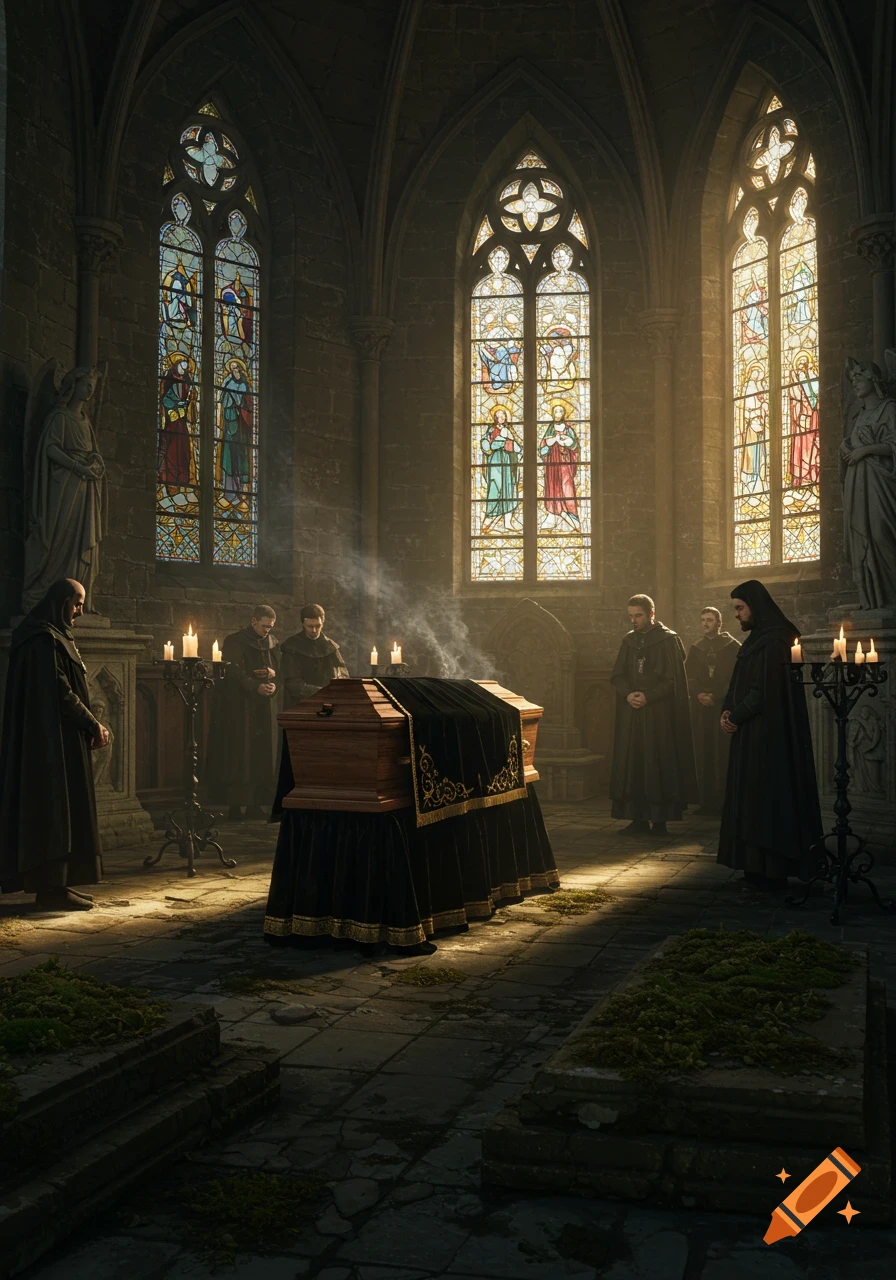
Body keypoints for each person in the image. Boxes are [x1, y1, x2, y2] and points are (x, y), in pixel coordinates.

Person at [0, 579, 109, 910]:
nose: (80, 611)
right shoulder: (42, 639)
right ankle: (50, 889)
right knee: (52, 809)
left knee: (65, 808)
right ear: (61, 602)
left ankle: (59, 885)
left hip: (61, 738)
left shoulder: (51, 635)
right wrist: (92, 723)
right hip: (48, 744)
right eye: (77, 604)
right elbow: (60, 690)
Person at [717, 580, 822, 889]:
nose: (737, 614)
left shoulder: (777, 640)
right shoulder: (754, 640)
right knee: (750, 800)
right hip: (748, 732)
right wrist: (726, 710)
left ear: (755, 605)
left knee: (767, 800)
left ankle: (772, 870)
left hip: (768, 733)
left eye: (740, 608)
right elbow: (736, 682)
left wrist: (735, 715)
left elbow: (763, 690)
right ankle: (754, 867)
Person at [610, 594, 697, 837]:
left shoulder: (668, 640)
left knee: (658, 763)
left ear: (651, 613)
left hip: (659, 716)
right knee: (634, 764)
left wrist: (648, 696)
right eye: (631, 616)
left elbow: (672, 680)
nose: (634, 621)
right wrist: (629, 694)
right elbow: (618, 675)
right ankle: (637, 819)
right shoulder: (629, 640)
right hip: (633, 714)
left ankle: (660, 821)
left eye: (638, 615)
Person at [204, 605, 281, 821]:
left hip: (263, 707)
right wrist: (254, 686)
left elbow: (280, 670)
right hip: (240, 707)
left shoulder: (272, 642)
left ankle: (256, 804)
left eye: (271, 627)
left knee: (261, 755)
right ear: (254, 621)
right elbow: (232, 671)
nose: (267, 630)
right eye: (264, 626)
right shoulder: (235, 641)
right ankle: (236, 807)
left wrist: (273, 679)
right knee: (240, 755)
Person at [684, 607, 741, 815]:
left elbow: (736, 677)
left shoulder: (732, 647)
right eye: (703, 620)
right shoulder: (696, 648)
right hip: (701, 710)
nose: (705, 623)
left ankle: (724, 802)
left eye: (709, 619)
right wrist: (699, 694)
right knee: (703, 751)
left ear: (719, 622)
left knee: (722, 752)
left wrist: (716, 696)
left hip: (722, 707)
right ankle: (706, 802)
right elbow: (688, 676)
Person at [281, 604, 349, 703]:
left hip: (328, 701)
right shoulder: (291, 646)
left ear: (323, 623)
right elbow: (292, 682)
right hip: (300, 702)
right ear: (303, 624)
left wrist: (337, 685)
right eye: (310, 626)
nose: (314, 630)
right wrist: (321, 691)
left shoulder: (330, 647)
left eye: (318, 626)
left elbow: (343, 676)